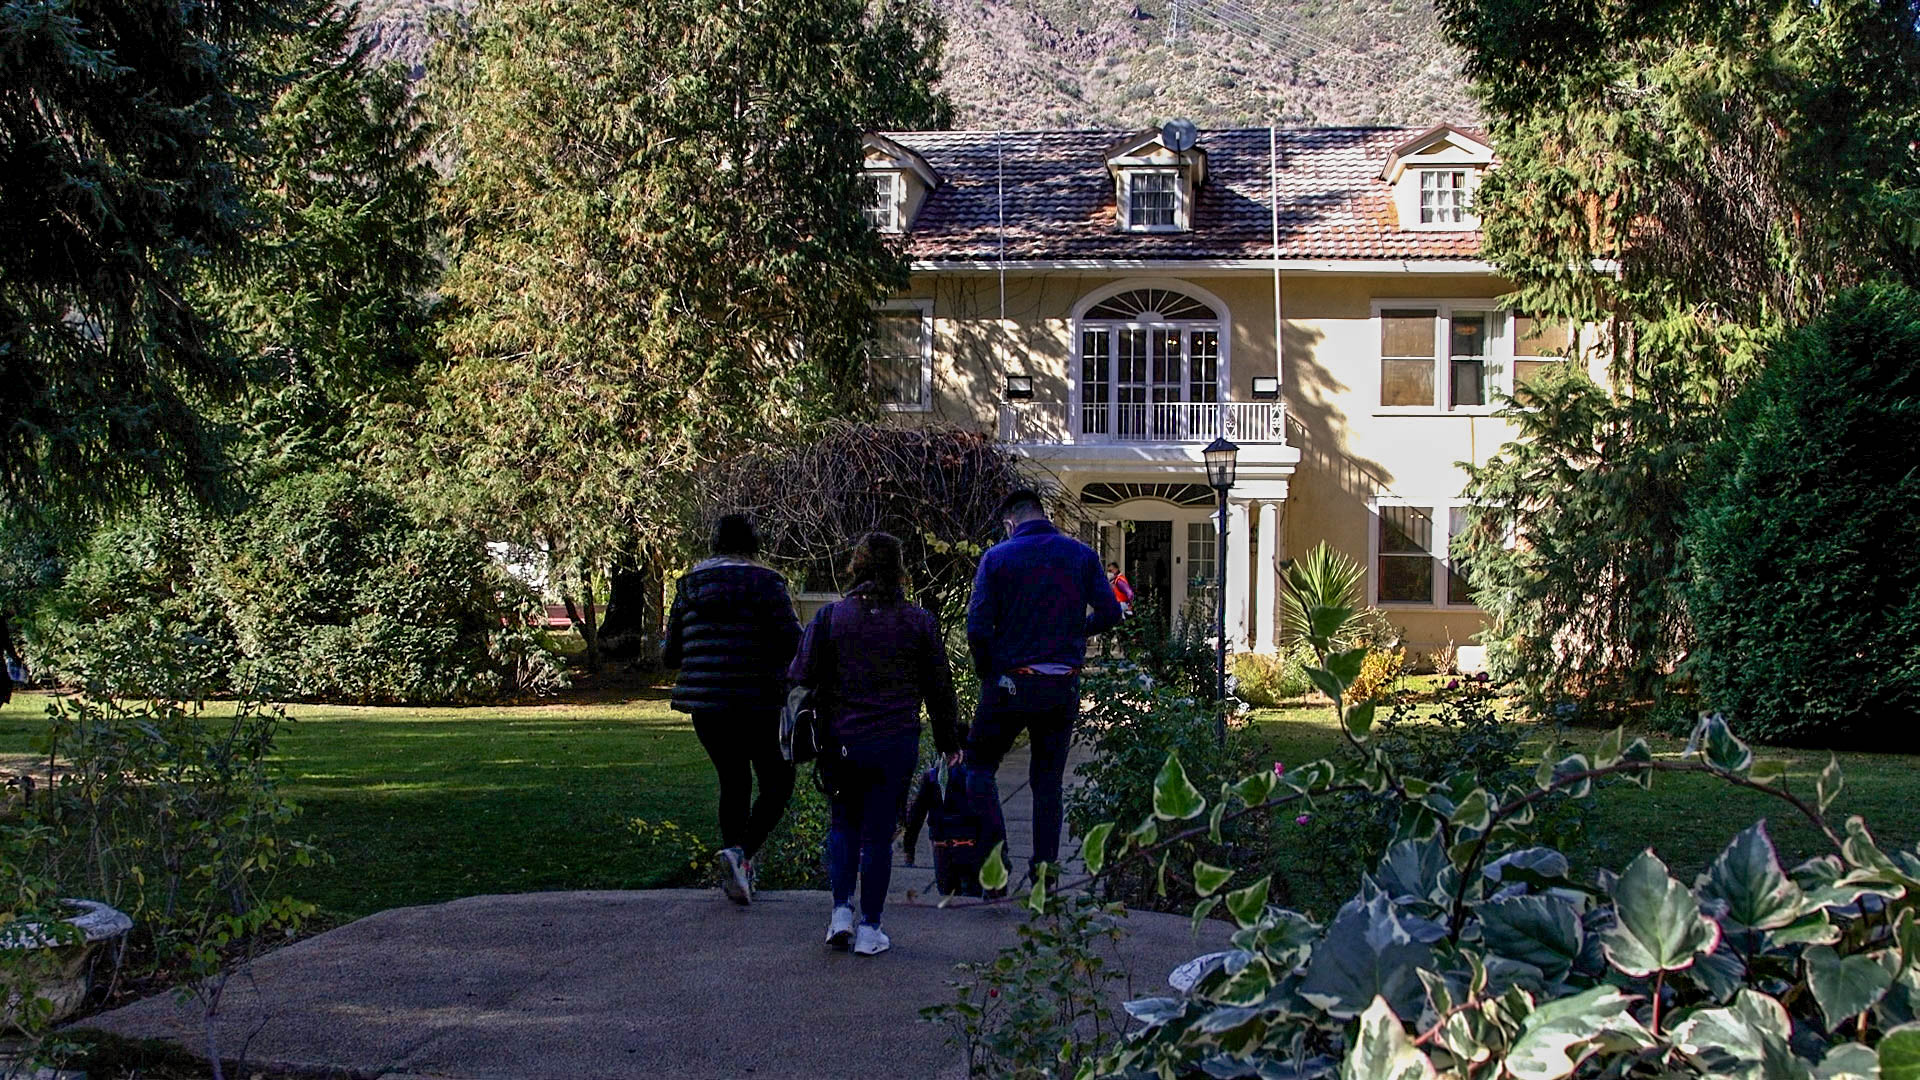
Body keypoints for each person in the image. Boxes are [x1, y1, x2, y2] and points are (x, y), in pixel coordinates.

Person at [789, 532, 960, 956]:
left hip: (842, 740)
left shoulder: (830, 618)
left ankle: (840, 914)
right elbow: (939, 689)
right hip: (894, 741)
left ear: (856, 567)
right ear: (899, 570)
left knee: (843, 824)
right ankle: (871, 928)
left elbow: (800, 674)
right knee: (879, 835)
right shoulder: (918, 622)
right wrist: (948, 740)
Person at [965, 490, 1124, 882]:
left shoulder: (997, 558)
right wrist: (1077, 632)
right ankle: (1045, 873)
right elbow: (1110, 612)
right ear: (1043, 514)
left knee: (979, 769)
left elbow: (977, 628)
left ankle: (996, 866)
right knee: (1048, 782)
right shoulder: (1081, 556)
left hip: (1011, 683)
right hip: (1060, 685)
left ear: (1010, 523)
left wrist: (990, 673)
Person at [662, 514, 801, 906]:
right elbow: (794, 643)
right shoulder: (768, 584)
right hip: (759, 702)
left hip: (707, 705)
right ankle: (741, 857)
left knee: (734, 782)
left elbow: (671, 654)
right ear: (753, 544)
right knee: (778, 783)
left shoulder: (689, 587)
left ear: (715, 543)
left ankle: (736, 871)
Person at [902, 755, 1002, 898]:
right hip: (970, 846)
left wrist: (909, 849)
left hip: (942, 846)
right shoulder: (976, 778)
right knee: (972, 895)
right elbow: (991, 818)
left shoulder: (932, 777)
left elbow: (916, 816)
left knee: (947, 895)